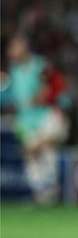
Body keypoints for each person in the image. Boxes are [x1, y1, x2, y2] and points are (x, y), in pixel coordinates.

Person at [0, 35, 70, 204]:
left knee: (43, 148)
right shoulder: (14, 71)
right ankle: (42, 192)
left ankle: (50, 188)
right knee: (32, 155)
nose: (10, 51)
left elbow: (56, 86)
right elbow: (12, 97)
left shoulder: (39, 65)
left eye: (14, 47)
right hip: (26, 122)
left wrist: (46, 95)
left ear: (24, 46)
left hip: (45, 115)